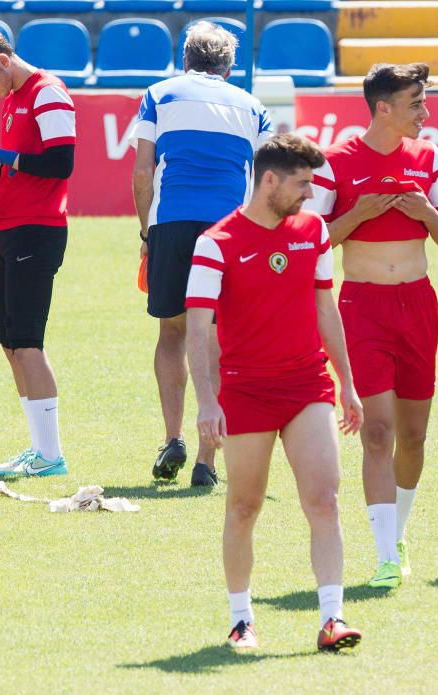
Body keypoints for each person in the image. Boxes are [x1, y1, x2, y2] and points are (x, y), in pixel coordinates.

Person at [186, 133, 364, 652]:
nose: (310, 195)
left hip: (308, 385)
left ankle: (332, 619)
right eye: (302, 184)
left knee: (324, 499)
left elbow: (325, 310)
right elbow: (198, 327)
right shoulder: (215, 242)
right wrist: (206, 399)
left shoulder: (313, 232)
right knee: (243, 506)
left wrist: (348, 383)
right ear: (269, 181)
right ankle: (242, 619)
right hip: (245, 392)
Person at [305, 63, 438, 589]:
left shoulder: (429, 158)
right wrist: (358, 214)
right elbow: (315, 239)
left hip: (418, 306)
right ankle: (383, 557)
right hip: (361, 308)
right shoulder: (336, 162)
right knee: (377, 432)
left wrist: (425, 214)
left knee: (413, 436)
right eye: (416, 102)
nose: (425, 112)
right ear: (383, 108)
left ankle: (398, 535)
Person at [130, 21, 272, 487]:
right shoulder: (253, 106)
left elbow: (143, 172)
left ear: (185, 60)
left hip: (173, 221)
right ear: (229, 67)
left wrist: (147, 231)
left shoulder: (159, 93)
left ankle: (172, 436)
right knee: (217, 338)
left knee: (172, 332)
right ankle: (207, 461)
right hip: (229, 230)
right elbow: (270, 179)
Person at [0, 26, 76, 477]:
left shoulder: (48, 93)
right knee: (10, 343)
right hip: (7, 228)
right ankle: (39, 449)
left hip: (36, 231)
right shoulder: (13, 98)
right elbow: (16, 171)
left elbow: (62, 163)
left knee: (27, 343)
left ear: (3, 61)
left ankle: (51, 455)